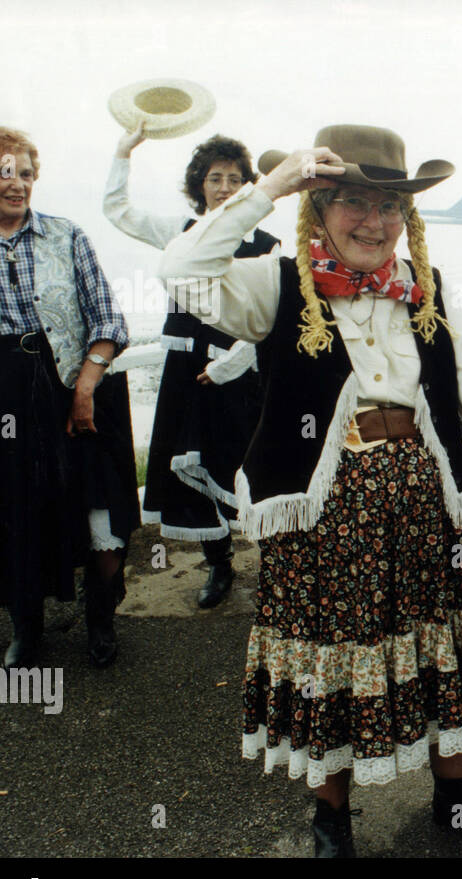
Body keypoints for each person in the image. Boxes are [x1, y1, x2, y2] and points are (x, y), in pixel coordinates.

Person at [159, 125, 462, 857]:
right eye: (352, 204)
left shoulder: (426, 292)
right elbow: (181, 270)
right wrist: (271, 187)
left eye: (389, 207)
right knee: (330, 658)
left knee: (434, 648)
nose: (374, 222)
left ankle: (457, 799)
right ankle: (331, 819)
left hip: (419, 497)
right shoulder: (273, 284)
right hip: (320, 513)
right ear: (317, 205)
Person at [0, 124, 137, 669]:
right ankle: (26, 626)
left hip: (73, 381)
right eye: (5, 171)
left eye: (27, 173)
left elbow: (107, 317)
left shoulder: (67, 236)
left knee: (99, 502)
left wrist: (85, 385)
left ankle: (101, 617)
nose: (19, 184)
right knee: (13, 510)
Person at [106, 127, 279, 608]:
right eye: (214, 178)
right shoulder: (181, 232)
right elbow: (119, 212)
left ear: (249, 184)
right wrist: (124, 152)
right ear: (199, 184)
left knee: (250, 464)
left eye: (234, 178)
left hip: (241, 371)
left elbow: (270, 317)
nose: (224, 187)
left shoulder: (266, 242)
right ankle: (219, 565)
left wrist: (230, 366)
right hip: (186, 368)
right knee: (195, 463)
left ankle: (278, 565)